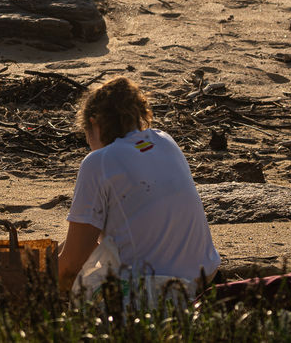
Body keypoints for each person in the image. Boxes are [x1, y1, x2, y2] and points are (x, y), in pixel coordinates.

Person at [57, 77, 221, 296]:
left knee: (62, 274)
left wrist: (32, 283)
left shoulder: (99, 162)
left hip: (156, 292)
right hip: (206, 278)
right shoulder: (165, 141)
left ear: (94, 123)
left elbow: (71, 263)